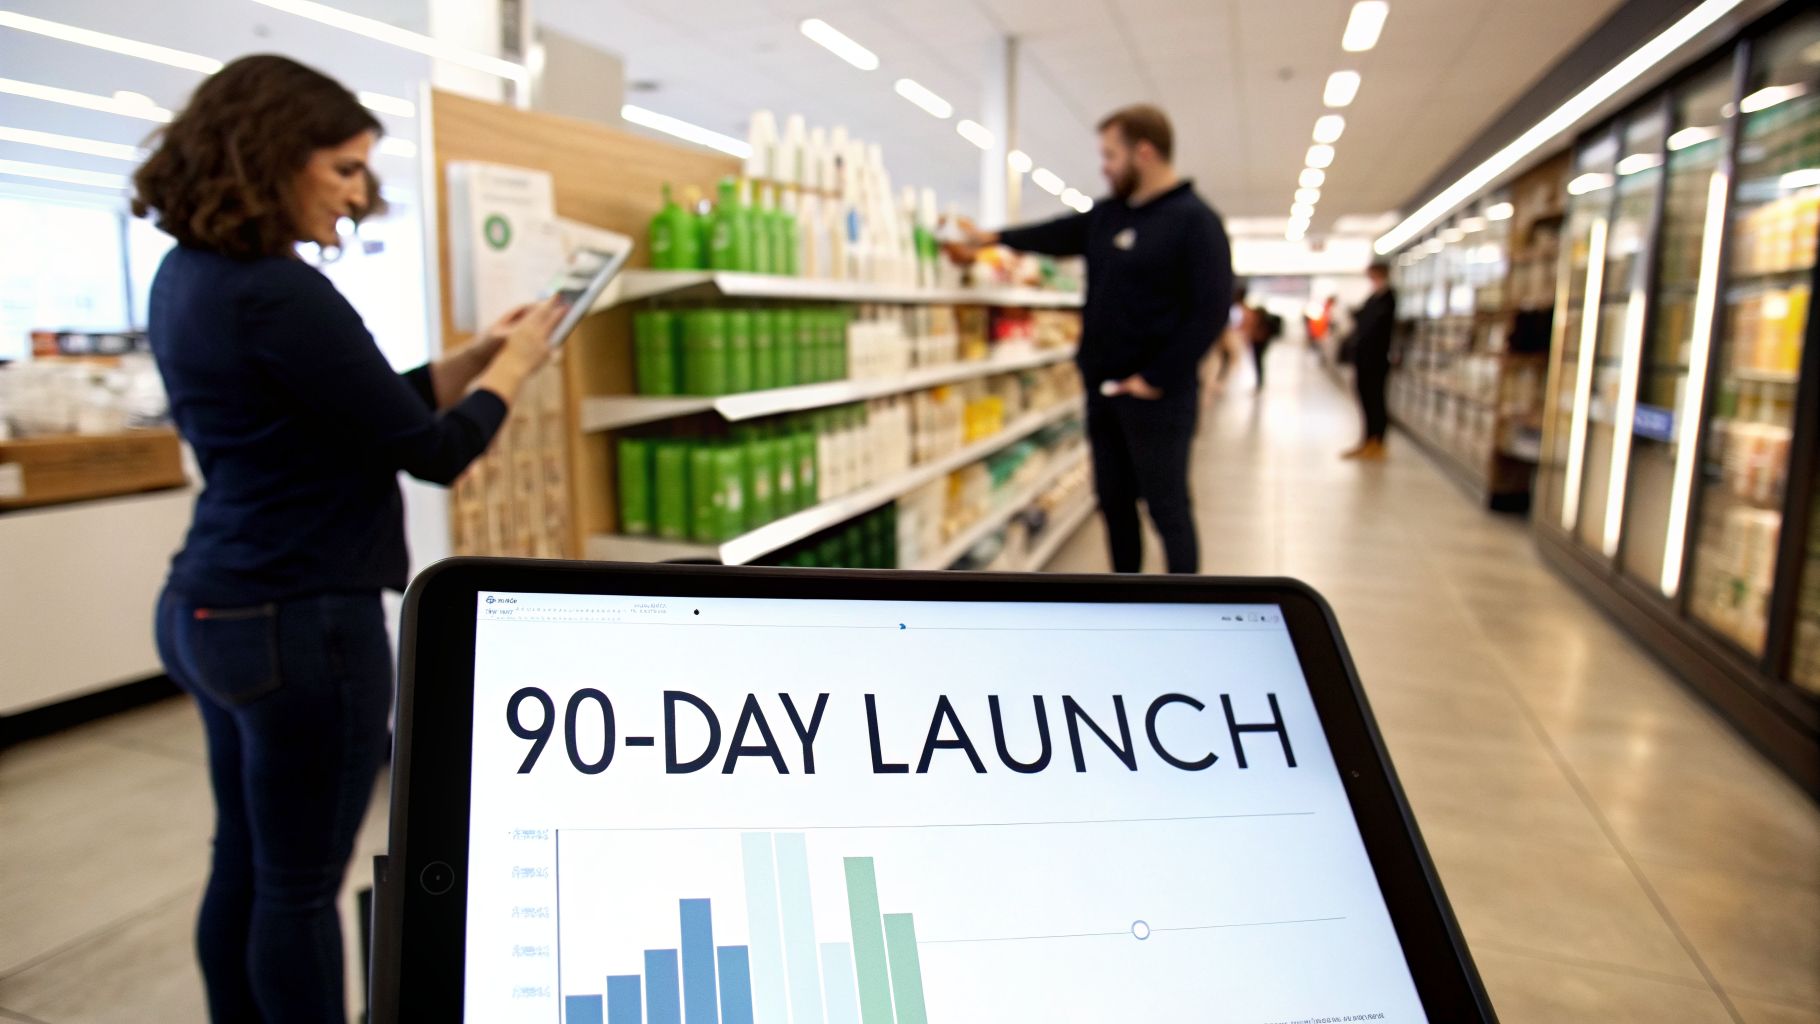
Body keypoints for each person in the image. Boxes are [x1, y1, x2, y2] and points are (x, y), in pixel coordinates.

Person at [134, 56, 563, 1023]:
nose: (361, 194)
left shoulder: (188, 275)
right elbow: (436, 452)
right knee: (298, 887)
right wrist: (521, 368)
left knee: (242, 858)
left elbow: (350, 415)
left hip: (211, 603)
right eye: (342, 168)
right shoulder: (282, 293)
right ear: (270, 157)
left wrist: (471, 361)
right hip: (303, 623)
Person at [945, 104, 1232, 573]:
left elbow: (1210, 312)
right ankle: (1125, 603)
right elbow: (1053, 233)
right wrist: (989, 239)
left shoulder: (1194, 221)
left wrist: (1155, 379)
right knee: (1113, 506)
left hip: (1157, 397)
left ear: (1144, 152)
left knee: (1167, 509)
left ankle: (1187, 608)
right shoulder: (1109, 215)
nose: (1104, 166)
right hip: (1102, 392)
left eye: (1110, 155)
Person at [1343, 262, 1398, 459]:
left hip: (1376, 359)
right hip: (1364, 358)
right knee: (1365, 399)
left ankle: (1377, 441)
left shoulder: (1388, 297)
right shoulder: (1374, 296)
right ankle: (1367, 439)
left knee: (1376, 400)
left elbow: (1376, 325)